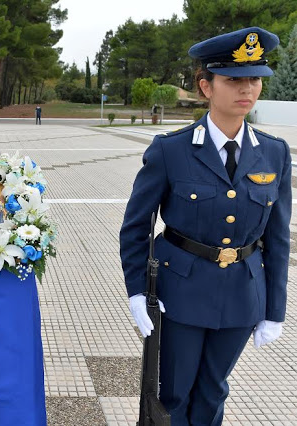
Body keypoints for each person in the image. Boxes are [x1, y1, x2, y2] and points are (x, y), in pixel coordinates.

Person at [120, 27, 289, 425]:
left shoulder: (274, 153)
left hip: (243, 294)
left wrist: (274, 310)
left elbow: (277, 238)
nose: (246, 89)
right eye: (233, 80)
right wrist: (136, 290)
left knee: (214, 391)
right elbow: (136, 226)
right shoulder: (171, 150)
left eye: (254, 79)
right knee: (175, 394)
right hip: (180, 292)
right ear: (206, 86)